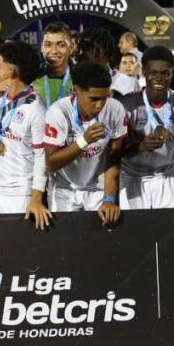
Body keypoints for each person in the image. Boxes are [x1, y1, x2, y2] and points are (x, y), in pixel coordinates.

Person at [0, 42, 51, 227]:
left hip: (18, 193)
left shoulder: (36, 108)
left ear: (11, 72)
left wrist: (36, 198)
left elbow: (41, 156)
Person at [43, 62, 126, 225]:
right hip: (64, 189)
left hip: (98, 189)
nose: (100, 106)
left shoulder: (115, 109)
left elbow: (114, 158)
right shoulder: (58, 112)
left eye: (104, 98)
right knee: (65, 242)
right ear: (75, 90)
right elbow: (51, 163)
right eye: (94, 99)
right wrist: (84, 140)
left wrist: (109, 199)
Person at [118, 47, 174, 209]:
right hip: (132, 176)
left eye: (164, 73)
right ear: (144, 71)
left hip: (167, 176)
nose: (159, 78)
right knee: (132, 230)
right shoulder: (127, 104)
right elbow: (114, 151)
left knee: (169, 231)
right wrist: (140, 147)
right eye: (153, 72)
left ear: (171, 73)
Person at [76, 27, 138, 95]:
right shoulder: (76, 82)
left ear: (97, 51)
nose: (79, 54)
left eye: (84, 48)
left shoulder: (129, 85)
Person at [32, 21, 75, 108]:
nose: (54, 51)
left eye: (61, 45)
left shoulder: (81, 80)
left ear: (70, 48)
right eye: (48, 45)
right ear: (42, 48)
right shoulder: (30, 80)